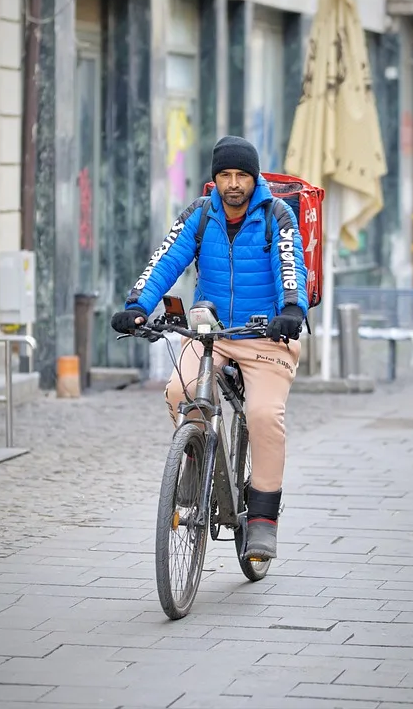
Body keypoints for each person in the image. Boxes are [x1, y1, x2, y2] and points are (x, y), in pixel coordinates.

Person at [111, 135, 308, 560]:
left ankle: (261, 519)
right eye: (225, 175)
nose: (233, 183)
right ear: (214, 179)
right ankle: (197, 460)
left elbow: (291, 267)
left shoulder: (278, 216)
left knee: (262, 416)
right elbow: (165, 260)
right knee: (181, 393)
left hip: (266, 335)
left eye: (241, 175)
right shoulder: (199, 216)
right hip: (212, 334)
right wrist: (137, 305)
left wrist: (291, 308)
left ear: (254, 179)